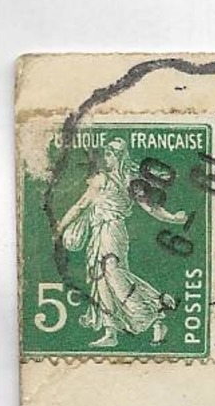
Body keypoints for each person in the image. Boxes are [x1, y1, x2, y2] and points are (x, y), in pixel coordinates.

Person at [55, 138, 184, 348]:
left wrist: (172, 218)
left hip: (113, 232)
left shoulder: (122, 180)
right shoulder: (106, 178)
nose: (106, 157)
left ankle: (153, 311)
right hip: (99, 232)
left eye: (110, 153)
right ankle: (112, 330)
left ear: (119, 156)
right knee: (102, 281)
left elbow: (150, 206)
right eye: (106, 153)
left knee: (113, 274)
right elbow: (81, 205)